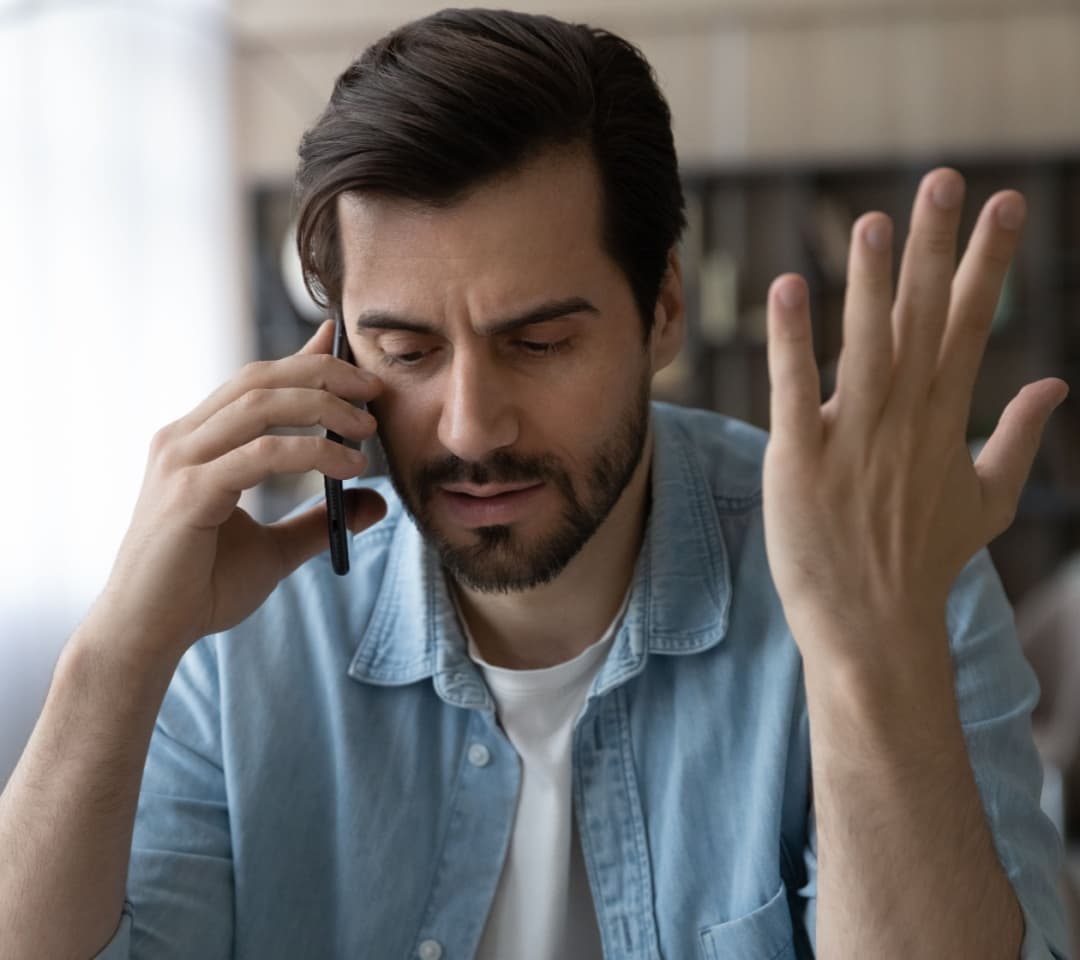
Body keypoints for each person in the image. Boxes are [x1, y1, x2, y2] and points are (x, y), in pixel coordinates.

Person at [0, 9, 1069, 959]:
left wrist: (866, 661)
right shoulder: (243, 648)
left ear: (662, 312)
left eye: (541, 341)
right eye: (406, 351)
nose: (471, 428)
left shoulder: (880, 580)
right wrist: (115, 655)